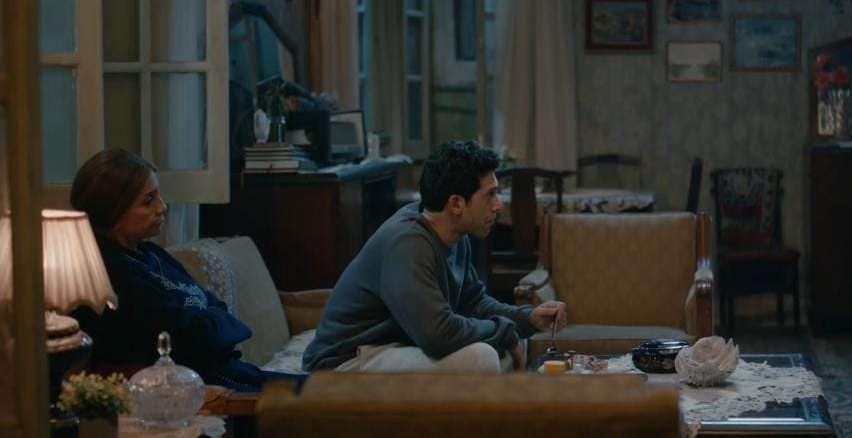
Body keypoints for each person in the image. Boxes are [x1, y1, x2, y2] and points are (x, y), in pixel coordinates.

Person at [303, 140, 566, 373]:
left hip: (396, 345)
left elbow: (472, 302)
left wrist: (525, 318)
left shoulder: (455, 234)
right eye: (490, 195)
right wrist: (504, 331)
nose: (498, 205)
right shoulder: (407, 243)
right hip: (346, 360)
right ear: (456, 203)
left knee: (508, 345)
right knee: (482, 358)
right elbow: (438, 335)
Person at [70, 148, 304, 391]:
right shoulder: (114, 275)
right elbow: (192, 340)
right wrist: (219, 325)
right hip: (211, 388)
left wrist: (214, 324)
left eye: (158, 196)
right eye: (148, 201)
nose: (162, 207)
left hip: (235, 372)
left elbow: (214, 305)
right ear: (112, 211)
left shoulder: (152, 253)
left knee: (326, 388)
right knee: (324, 400)